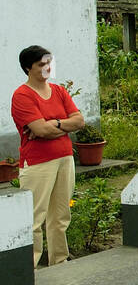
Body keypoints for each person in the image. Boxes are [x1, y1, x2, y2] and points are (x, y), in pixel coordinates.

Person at [10, 45, 83, 268]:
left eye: (49, 62)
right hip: (38, 163)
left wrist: (54, 123)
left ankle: (59, 262)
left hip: (64, 158)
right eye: (41, 64)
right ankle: (28, 269)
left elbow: (79, 121)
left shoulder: (59, 91)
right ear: (27, 68)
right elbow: (40, 130)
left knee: (60, 216)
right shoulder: (22, 96)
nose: (47, 67)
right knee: (34, 218)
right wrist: (61, 126)